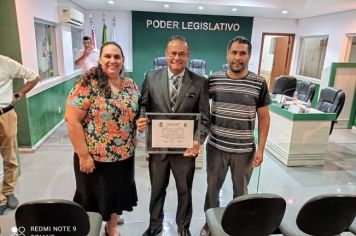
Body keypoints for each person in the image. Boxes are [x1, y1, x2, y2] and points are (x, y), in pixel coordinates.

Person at [136, 35, 210, 236]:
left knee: (185, 192)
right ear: (166, 54)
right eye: (173, 53)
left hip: (185, 151)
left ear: (188, 56)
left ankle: (183, 228)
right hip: (158, 148)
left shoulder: (200, 82)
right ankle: (154, 226)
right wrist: (141, 119)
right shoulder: (151, 77)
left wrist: (198, 140)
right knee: (157, 190)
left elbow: (205, 118)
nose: (177, 57)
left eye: (182, 54)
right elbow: (143, 106)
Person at [65, 42, 139, 236]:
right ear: (100, 59)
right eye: (108, 56)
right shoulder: (86, 85)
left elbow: (136, 113)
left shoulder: (130, 85)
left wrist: (141, 121)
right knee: (91, 198)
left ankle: (111, 227)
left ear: (123, 60)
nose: (112, 60)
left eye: (117, 57)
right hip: (95, 158)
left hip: (124, 157)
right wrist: (83, 156)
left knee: (117, 196)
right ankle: (90, 229)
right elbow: (72, 121)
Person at [200, 36, 271, 235]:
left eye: (242, 53)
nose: (238, 57)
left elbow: (264, 118)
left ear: (249, 55)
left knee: (241, 193)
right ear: (227, 54)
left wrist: (262, 149)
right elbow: (202, 111)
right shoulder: (214, 80)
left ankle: (240, 225)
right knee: (212, 190)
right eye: (234, 52)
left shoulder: (259, 83)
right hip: (216, 147)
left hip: (244, 150)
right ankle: (209, 224)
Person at [0, 55, 40, 215]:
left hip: (6, 114)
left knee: (10, 156)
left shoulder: (5, 62)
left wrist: (18, 95)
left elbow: (34, 77)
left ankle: (8, 191)